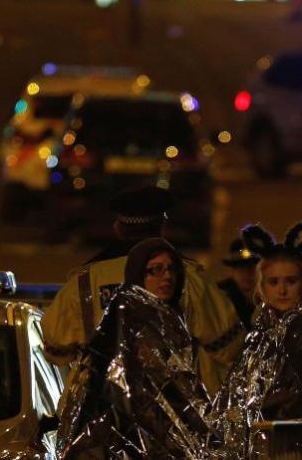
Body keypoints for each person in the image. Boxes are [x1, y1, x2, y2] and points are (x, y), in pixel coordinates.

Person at [42, 186, 244, 395]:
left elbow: (56, 350)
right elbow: (229, 346)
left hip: (103, 411)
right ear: (162, 227)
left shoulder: (83, 283)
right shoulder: (187, 278)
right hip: (177, 412)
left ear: (118, 229)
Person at [56, 238, 219, 458]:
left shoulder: (171, 318)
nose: (167, 277)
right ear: (138, 274)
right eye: (156, 270)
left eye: (171, 269)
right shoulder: (127, 315)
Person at [214, 222, 302, 459]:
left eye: (290, 281)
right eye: (274, 282)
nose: (282, 290)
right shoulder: (261, 331)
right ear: (263, 287)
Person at [218, 238, 259, 329]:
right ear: (231, 270)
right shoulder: (220, 297)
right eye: (241, 267)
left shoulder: (265, 296)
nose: (247, 273)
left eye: (252, 267)